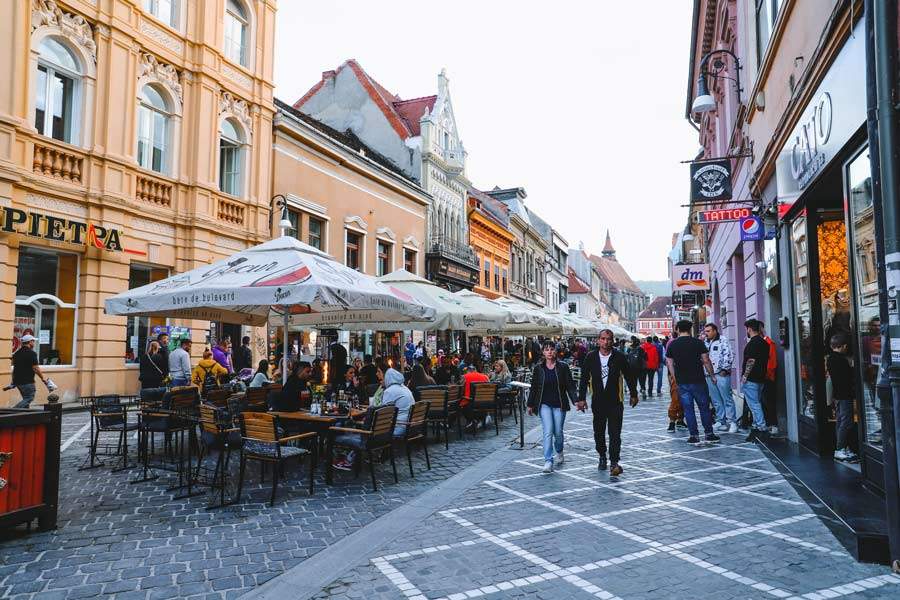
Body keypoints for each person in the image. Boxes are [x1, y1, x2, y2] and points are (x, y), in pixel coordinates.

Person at [578, 330, 638, 476]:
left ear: (613, 341)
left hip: (615, 401)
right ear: (598, 340)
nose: (606, 342)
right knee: (598, 432)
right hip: (598, 401)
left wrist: (634, 394)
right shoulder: (591, 357)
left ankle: (614, 461)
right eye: (603, 339)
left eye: (609, 339)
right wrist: (581, 399)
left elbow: (629, 376)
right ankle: (602, 456)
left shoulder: (619, 357)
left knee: (615, 433)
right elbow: (584, 378)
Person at [665, 320, 720, 445]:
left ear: (678, 329)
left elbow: (669, 362)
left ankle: (694, 436)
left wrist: (674, 376)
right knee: (704, 408)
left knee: (688, 409)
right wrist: (712, 376)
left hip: (682, 382)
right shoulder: (698, 342)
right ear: (690, 329)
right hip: (698, 380)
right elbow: (706, 360)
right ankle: (709, 434)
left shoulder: (673, 345)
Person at [527, 342, 578, 474]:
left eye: (552, 349)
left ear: (556, 351)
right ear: (543, 352)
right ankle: (548, 460)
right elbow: (534, 387)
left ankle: (559, 450)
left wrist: (576, 401)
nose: (549, 352)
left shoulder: (563, 367)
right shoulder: (539, 368)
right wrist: (530, 404)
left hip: (559, 404)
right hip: (544, 404)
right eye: (546, 350)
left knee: (558, 432)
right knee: (548, 431)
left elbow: (570, 386)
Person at [827, 333, 858, 461]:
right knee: (845, 422)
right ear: (844, 346)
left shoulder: (830, 359)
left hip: (838, 395)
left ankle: (843, 447)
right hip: (845, 395)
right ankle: (840, 449)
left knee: (840, 421)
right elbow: (848, 377)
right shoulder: (841, 360)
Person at [704, 323, 737, 433]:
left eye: (708, 331)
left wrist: (725, 369)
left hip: (721, 374)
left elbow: (729, 354)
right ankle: (721, 421)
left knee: (727, 398)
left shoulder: (723, 340)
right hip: (709, 374)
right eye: (706, 331)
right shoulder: (705, 342)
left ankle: (732, 422)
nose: (706, 333)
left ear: (715, 331)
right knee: (715, 400)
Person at [741, 319, 771, 441]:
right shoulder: (764, 343)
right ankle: (756, 427)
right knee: (756, 402)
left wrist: (745, 376)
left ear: (749, 329)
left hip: (752, 378)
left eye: (746, 329)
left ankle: (761, 428)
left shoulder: (753, 343)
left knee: (754, 404)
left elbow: (751, 361)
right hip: (760, 377)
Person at [11, 335, 50, 408]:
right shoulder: (32, 353)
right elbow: (36, 368)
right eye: (33, 341)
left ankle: (25, 416)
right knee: (29, 398)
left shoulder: (16, 353)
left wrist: (13, 381)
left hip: (18, 381)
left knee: (25, 400)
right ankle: (12, 412)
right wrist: (43, 378)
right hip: (27, 382)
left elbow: (15, 368)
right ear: (30, 342)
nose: (34, 343)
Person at [760, 322, 780, 435]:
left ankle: (773, 424)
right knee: (763, 402)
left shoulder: (769, 343)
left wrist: (767, 375)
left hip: (767, 377)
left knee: (769, 402)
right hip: (760, 377)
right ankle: (767, 423)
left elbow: (771, 363)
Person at [460, 362, 489, 430]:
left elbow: (461, 390)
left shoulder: (465, 377)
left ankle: (471, 420)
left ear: (468, 371)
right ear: (475, 370)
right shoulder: (485, 377)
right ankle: (479, 419)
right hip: (485, 403)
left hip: (471, 404)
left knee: (461, 403)